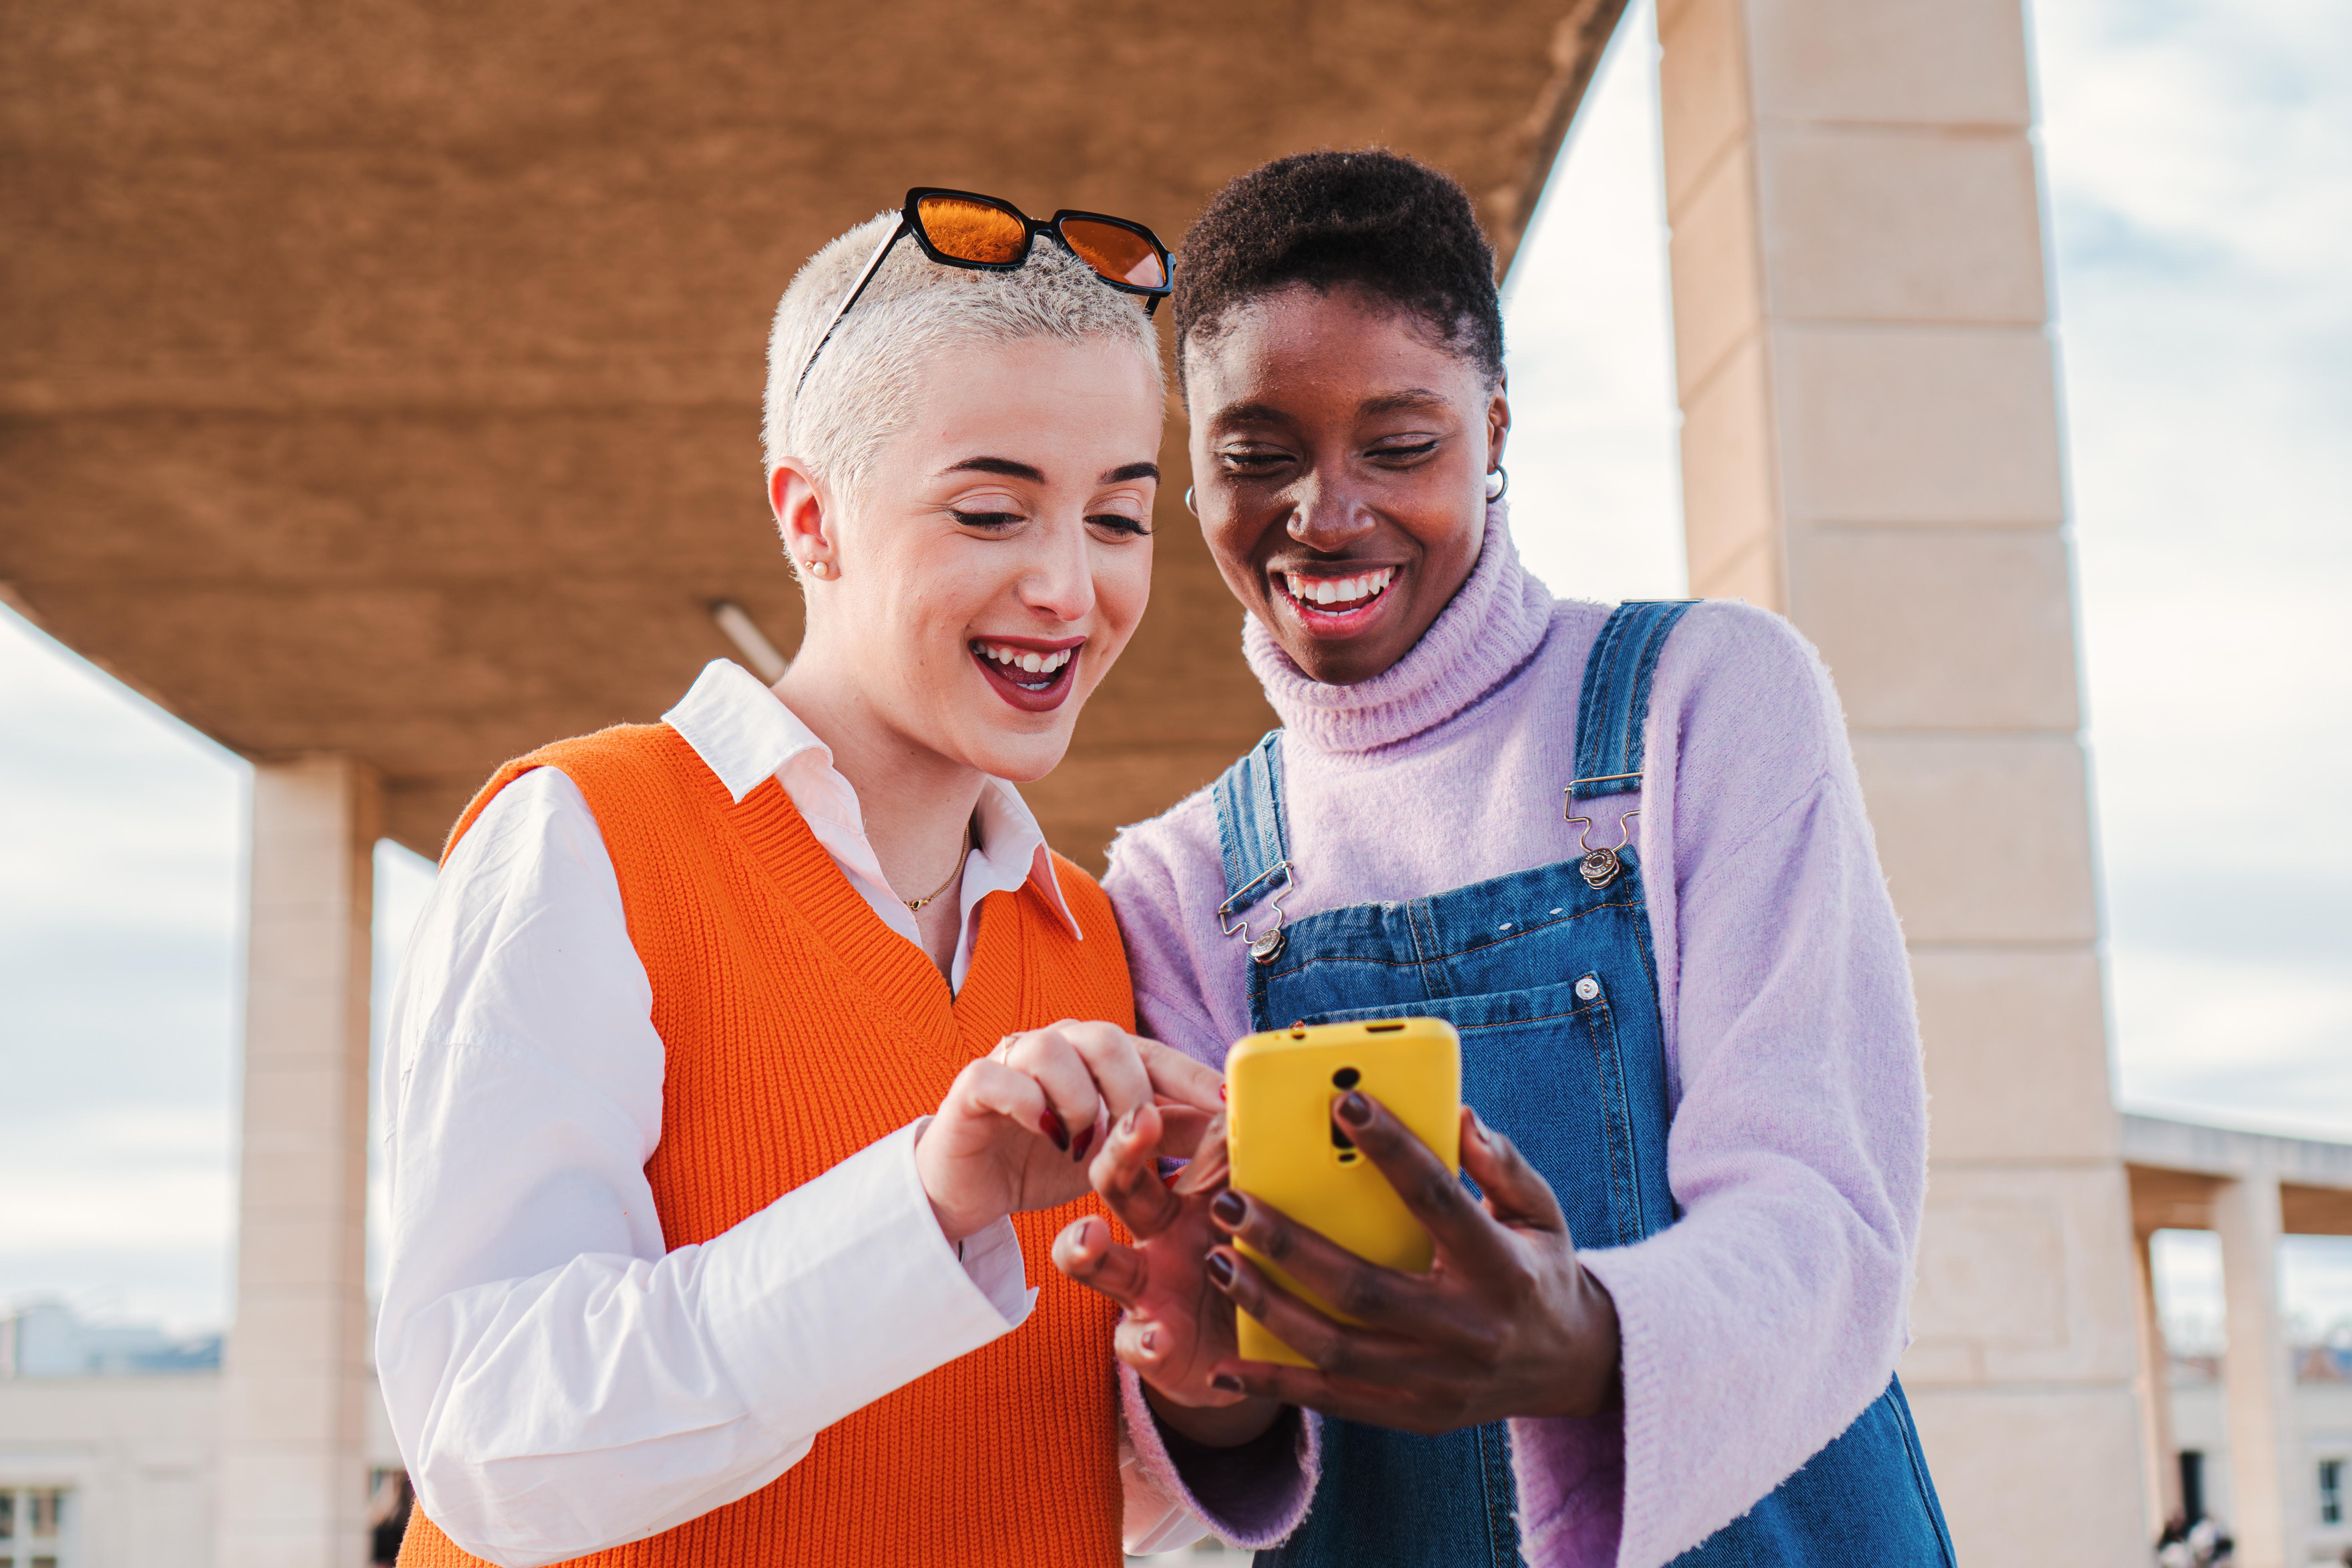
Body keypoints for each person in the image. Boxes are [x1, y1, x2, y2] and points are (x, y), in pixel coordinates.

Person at [1053, 150, 1957, 1565]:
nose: (1326, 513)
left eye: (1399, 445)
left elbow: (1825, 1215)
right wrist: (1191, 1365)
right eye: (1258, 455)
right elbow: (1236, 1426)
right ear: (1194, 477)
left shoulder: (1701, 704)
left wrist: (1584, 1340)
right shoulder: (1178, 883)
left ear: (1492, 430)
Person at [375, 191, 1230, 1566]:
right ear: (810, 517)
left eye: (1119, 520)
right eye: (993, 511)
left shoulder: (1098, 942)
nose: (1070, 589)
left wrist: (1212, 1356)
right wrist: (922, 1208)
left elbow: (1049, 1483)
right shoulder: (585, 835)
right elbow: (491, 1439)